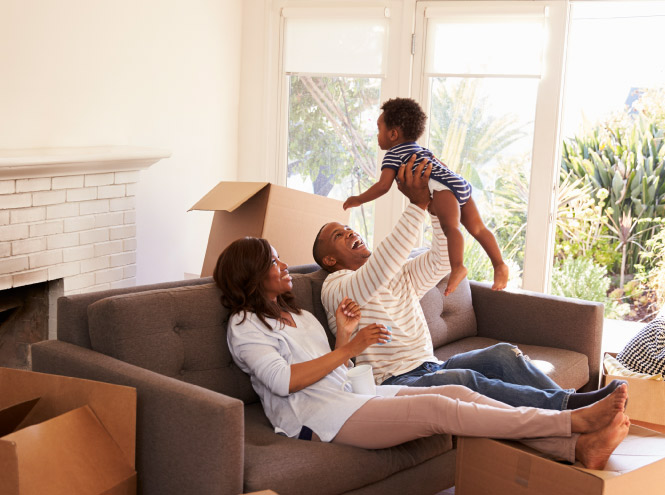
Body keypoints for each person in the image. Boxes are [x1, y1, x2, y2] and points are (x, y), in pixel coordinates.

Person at [215, 236, 630, 470]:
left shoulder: (299, 316)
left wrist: (344, 337)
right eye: (273, 260)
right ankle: (568, 421)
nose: (283, 264)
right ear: (251, 275)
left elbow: (334, 372)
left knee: (461, 396)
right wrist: (353, 348)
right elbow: (285, 381)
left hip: (348, 398)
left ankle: (575, 448)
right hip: (317, 419)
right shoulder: (245, 326)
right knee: (439, 409)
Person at [316, 156, 626, 410]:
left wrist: (436, 210)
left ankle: (574, 406)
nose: (350, 233)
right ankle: (572, 409)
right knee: (466, 380)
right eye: (338, 236)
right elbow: (377, 273)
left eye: (348, 228)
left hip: (429, 365)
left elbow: (440, 260)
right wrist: (416, 204)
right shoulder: (336, 287)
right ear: (329, 259)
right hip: (394, 383)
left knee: (503, 354)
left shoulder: (396, 273)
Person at [343, 97, 508, 295]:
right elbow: (442, 166)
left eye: (379, 129)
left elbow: (383, 186)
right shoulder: (421, 150)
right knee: (479, 228)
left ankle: (458, 267)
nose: (377, 135)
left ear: (393, 134)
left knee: (451, 227)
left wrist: (358, 199)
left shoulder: (394, 155)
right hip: (458, 181)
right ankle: (499, 265)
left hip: (441, 187)